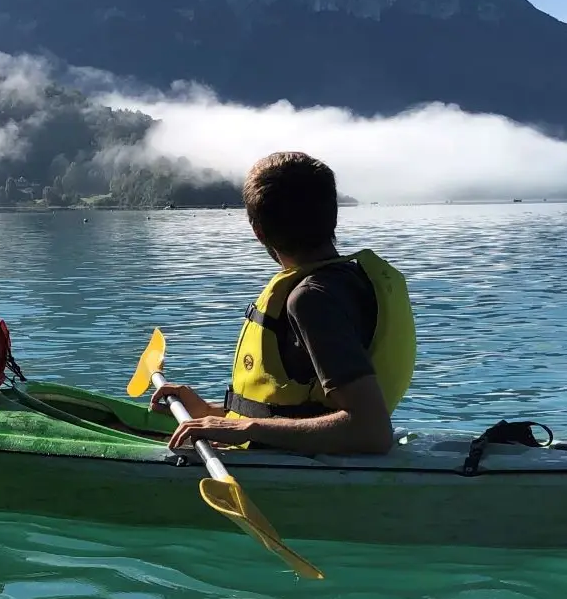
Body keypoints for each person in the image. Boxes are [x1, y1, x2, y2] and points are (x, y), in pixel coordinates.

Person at [151, 151, 415, 456]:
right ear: (333, 216)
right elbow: (305, 407)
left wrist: (244, 428)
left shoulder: (312, 299)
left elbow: (370, 430)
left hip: (318, 479)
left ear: (258, 232)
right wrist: (211, 411)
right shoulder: (350, 281)